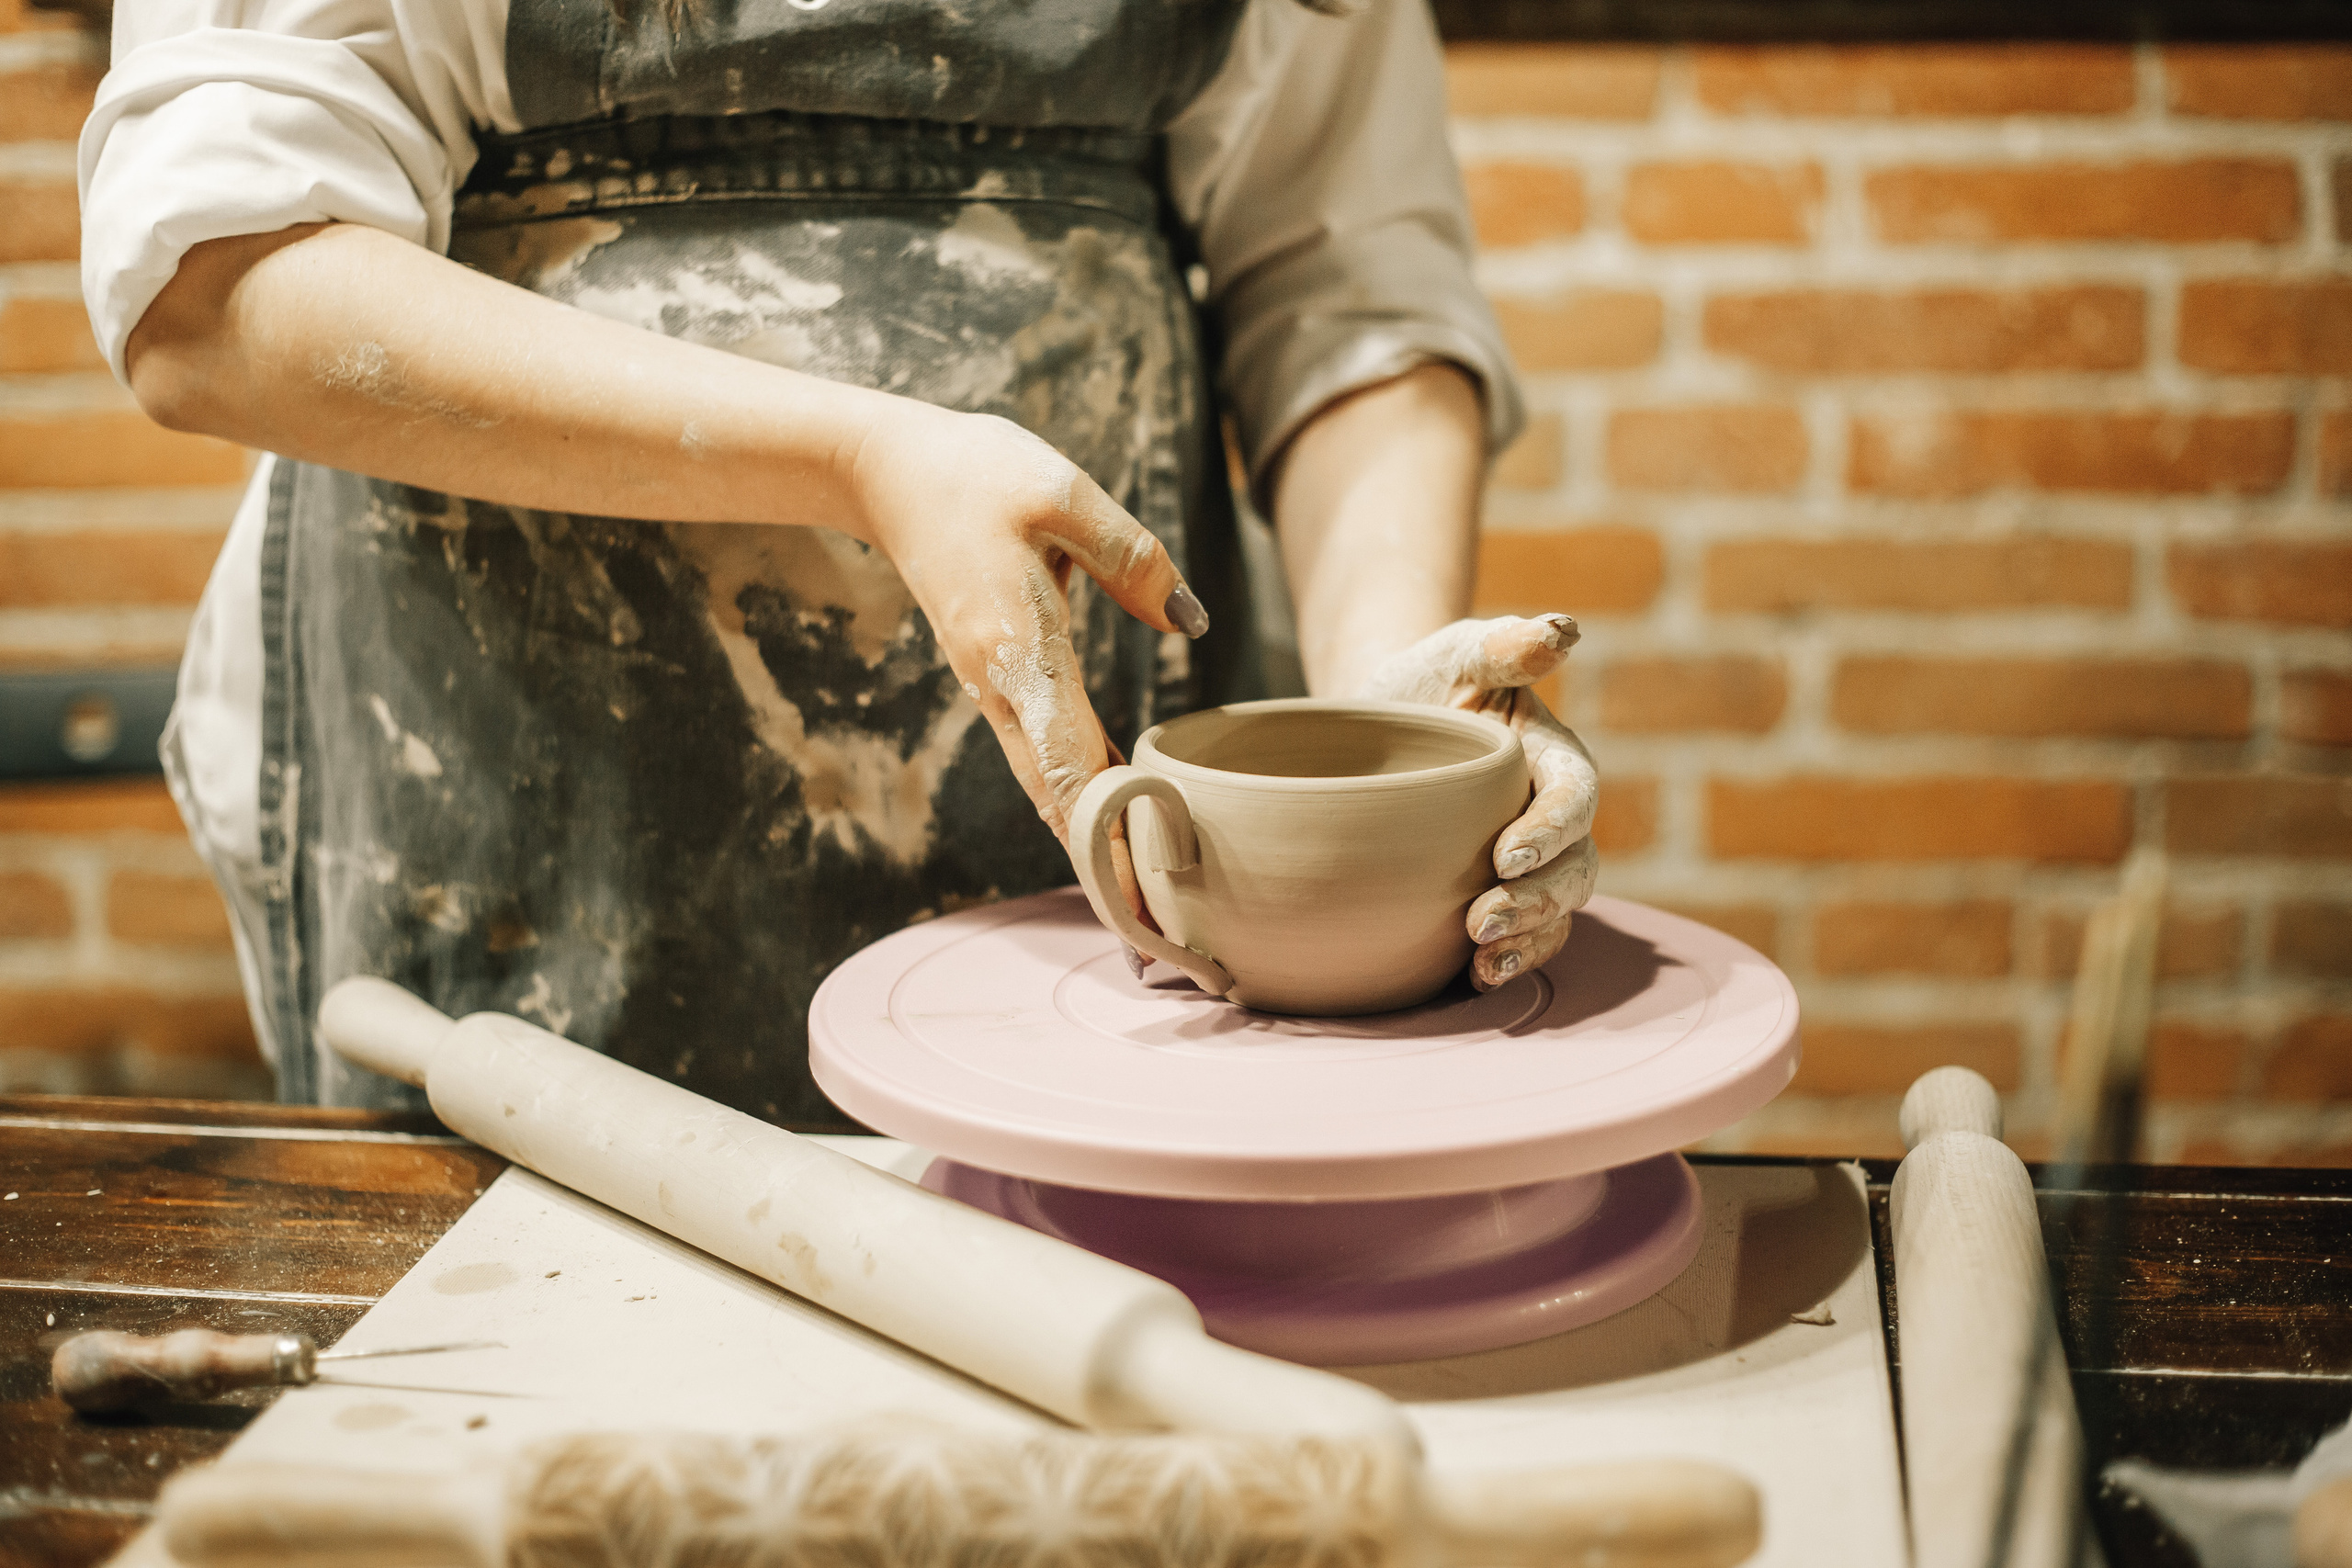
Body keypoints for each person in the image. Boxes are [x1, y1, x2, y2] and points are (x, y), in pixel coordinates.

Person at [79, 0, 1600, 1122]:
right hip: (514, 833)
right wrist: (864, 458)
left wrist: (1387, 748)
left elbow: (1342, 290)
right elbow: (215, 296)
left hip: (1100, 882)